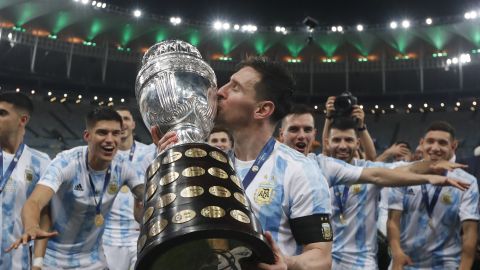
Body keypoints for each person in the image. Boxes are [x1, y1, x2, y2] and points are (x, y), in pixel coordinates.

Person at [156, 57, 334, 270]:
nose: (220, 91)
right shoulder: (213, 163)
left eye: (235, 87)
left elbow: (321, 257)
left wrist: (287, 264)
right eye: (227, 83)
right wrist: (168, 167)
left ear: (262, 110)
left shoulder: (299, 170)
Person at [278, 104, 469, 270]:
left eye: (348, 140)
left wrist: (430, 167)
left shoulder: (330, 167)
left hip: (361, 264)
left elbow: (397, 169)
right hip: (320, 261)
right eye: (337, 140)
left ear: (357, 143)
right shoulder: (281, 169)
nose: (343, 145)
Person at [7, 107, 145, 270]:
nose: (110, 139)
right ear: (87, 136)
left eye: (115, 133)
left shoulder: (124, 167)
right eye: (102, 133)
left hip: (93, 259)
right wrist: (31, 227)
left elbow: (147, 195)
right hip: (54, 259)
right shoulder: (66, 163)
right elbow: (35, 202)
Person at [388, 121, 479, 270]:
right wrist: (397, 253)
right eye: (430, 141)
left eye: (442, 143)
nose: (435, 148)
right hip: (405, 262)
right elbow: (393, 221)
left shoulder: (467, 182)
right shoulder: (403, 175)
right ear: (422, 143)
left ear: (453, 146)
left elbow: (470, 232)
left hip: (446, 264)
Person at [0, 92, 51, 270]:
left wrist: (37, 263)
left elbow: (45, 214)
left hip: (17, 262)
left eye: (2, 113)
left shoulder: (40, 162)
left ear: (22, 120)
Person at [102, 106, 156, 270]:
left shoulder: (149, 152)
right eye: (119, 120)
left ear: (133, 124)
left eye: (126, 118)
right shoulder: (104, 155)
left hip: (139, 233)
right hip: (109, 234)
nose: (123, 123)